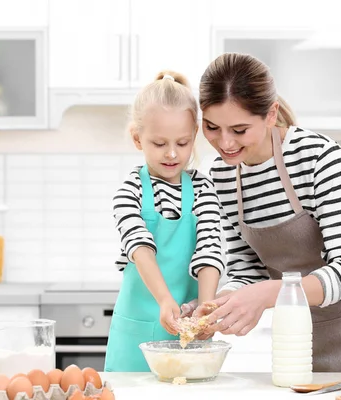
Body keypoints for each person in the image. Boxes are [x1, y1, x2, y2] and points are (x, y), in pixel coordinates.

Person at [185, 53, 341, 373]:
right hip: (304, 345)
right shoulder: (222, 176)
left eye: (240, 129)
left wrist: (266, 295)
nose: (225, 142)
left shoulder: (316, 155)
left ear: (270, 115)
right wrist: (221, 304)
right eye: (212, 127)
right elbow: (249, 270)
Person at [104, 70, 225, 372]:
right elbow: (140, 247)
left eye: (182, 143)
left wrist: (206, 310)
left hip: (189, 335)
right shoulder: (128, 192)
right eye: (159, 144)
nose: (172, 154)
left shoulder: (203, 188)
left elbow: (210, 248)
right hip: (136, 333)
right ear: (137, 138)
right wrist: (164, 300)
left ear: (194, 135)